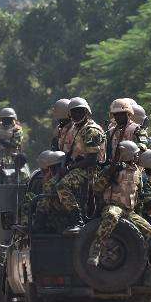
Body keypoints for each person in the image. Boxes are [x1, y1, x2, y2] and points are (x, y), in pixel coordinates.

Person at [88, 141, 151, 267]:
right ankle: (96, 248)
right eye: (135, 154)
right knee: (112, 215)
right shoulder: (113, 169)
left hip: (129, 211)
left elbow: (138, 195)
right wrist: (110, 173)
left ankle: (149, 261)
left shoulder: (138, 172)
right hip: (114, 206)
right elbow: (97, 188)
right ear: (128, 155)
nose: (137, 156)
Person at [56, 97, 106, 234]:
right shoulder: (76, 128)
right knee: (50, 185)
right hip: (77, 167)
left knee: (62, 186)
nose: (76, 114)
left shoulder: (91, 130)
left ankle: (78, 221)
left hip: (89, 170)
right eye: (73, 112)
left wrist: (68, 169)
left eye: (79, 111)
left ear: (86, 112)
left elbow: (91, 160)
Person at [29, 150, 68, 232]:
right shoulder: (69, 177)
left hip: (59, 222)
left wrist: (47, 183)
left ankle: (37, 225)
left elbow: (42, 205)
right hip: (64, 220)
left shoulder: (53, 183)